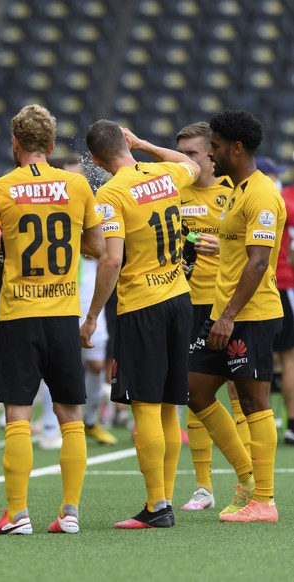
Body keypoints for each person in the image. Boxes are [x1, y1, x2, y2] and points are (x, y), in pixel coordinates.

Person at [0, 105, 104, 536]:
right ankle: (70, 513)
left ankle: (17, 516)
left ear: (15, 143)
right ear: (50, 147)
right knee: (71, 416)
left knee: (19, 417)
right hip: (64, 314)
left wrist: (6, 252)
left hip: (20, 315)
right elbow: (98, 247)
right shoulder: (76, 184)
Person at [81, 119, 200, 529]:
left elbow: (112, 258)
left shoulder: (110, 192)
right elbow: (193, 165)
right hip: (179, 298)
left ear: (96, 160)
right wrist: (145, 144)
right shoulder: (165, 172)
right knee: (168, 405)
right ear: (127, 144)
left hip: (142, 305)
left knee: (146, 406)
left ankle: (157, 507)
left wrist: (93, 313)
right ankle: (163, 500)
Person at [187, 110, 284, 523]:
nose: (211, 153)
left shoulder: (262, 195)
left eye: (216, 146)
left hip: (252, 313)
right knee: (195, 390)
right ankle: (246, 476)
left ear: (236, 148)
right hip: (225, 311)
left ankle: (263, 498)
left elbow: (258, 263)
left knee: (254, 400)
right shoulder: (237, 190)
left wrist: (226, 317)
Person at [173, 122, 246, 512]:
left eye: (194, 154)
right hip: (186, 303)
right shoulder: (174, 192)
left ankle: (246, 482)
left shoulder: (232, 192)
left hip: (227, 304)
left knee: (239, 390)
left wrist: (227, 244)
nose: (186, 161)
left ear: (212, 153)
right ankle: (203, 486)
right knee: (193, 394)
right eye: (180, 153)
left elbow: (258, 244)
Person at [57, 154, 118, 447]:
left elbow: (103, 248)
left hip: (92, 295)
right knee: (59, 362)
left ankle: (92, 420)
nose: (78, 181)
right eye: (72, 176)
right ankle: (52, 425)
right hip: (62, 293)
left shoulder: (92, 206)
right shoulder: (52, 210)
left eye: (80, 176)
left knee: (95, 365)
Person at [275, 160, 294, 446]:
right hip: (286, 284)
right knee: (289, 357)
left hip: (273, 281)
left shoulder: (283, 198)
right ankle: (291, 423)